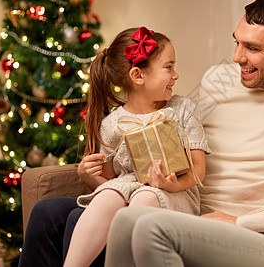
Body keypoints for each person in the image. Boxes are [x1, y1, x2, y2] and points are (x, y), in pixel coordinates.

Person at [18, 0, 264, 267]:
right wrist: (113, 169)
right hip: (182, 200)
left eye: (253, 49)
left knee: (88, 221)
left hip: (236, 218)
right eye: (236, 43)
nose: (238, 58)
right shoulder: (223, 79)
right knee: (50, 211)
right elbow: (165, 117)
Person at [55, 26, 209, 267]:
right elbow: (110, 182)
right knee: (107, 196)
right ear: (138, 76)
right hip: (129, 188)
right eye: (169, 67)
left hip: (176, 193)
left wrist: (171, 183)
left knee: (144, 197)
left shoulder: (182, 108)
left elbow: (198, 170)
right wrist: (90, 177)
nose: (176, 75)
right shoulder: (112, 124)